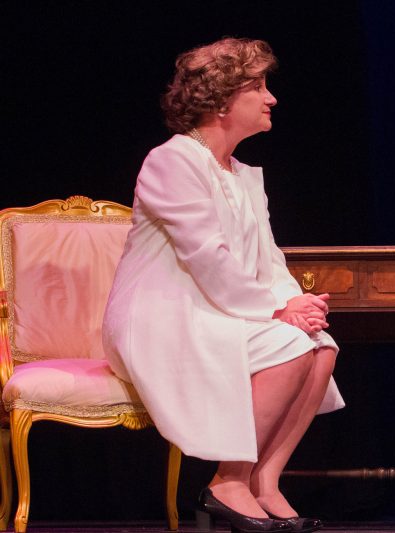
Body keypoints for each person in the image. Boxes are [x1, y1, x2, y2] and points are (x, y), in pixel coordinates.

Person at [102, 37, 343, 533]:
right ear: (221, 100)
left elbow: (267, 259)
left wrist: (295, 301)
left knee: (320, 346)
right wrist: (276, 313)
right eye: (257, 87)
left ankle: (263, 480)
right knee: (289, 345)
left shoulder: (240, 174)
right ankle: (228, 482)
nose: (271, 98)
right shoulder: (172, 161)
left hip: (216, 308)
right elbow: (207, 257)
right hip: (162, 316)